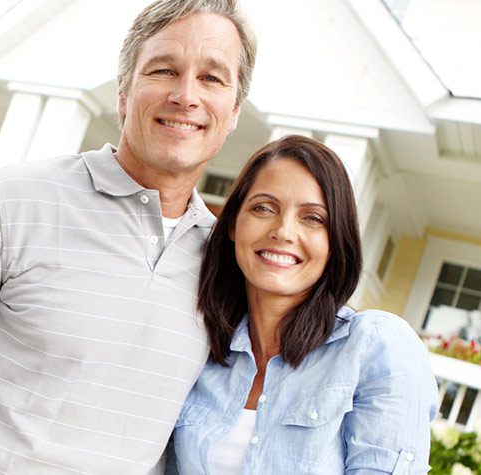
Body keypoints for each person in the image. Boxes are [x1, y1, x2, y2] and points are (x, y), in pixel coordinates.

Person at [0, 0, 257, 473]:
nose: (186, 95)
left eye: (212, 78)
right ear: (124, 92)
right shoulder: (11, 201)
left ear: (233, 111)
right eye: (164, 69)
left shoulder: (227, 261)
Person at [169, 135, 439, 474]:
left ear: (335, 242)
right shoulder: (200, 347)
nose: (283, 231)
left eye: (312, 218)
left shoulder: (375, 347)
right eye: (264, 208)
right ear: (234, 224)